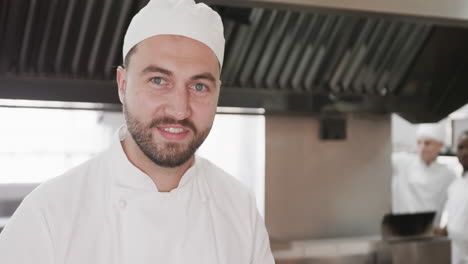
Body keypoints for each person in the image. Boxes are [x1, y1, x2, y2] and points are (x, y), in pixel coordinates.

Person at [0, 0, 275, 263]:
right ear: (122, 84)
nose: (180, 110)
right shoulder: (47, 216)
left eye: (199, 86)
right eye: (158, 80)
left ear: (217, 92)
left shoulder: (240, 209)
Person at [392, 123, 456, 223]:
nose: (422, 147)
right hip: (401, 229)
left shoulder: (449, 175)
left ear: (440, 145)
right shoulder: (402, 163)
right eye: (419, 142)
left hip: (431, 232)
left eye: (427, 143)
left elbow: (456, 207)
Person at [443, 131, 468, 264]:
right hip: (456, 257)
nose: (465, 153)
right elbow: (457, 220)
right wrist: (444, 230)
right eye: (461, 147)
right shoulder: (454, 186)